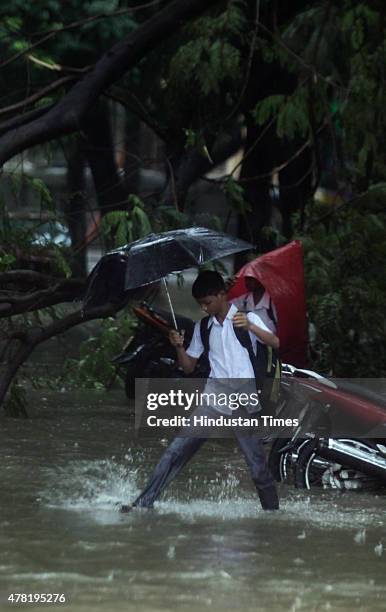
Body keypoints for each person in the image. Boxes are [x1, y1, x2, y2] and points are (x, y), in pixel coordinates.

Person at [121, 271, 280, 513]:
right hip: (213, 400)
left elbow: (275, 343)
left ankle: (273, 515)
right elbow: (188, 366)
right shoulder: (203, 327)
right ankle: (143, 504)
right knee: (175, 453)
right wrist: (177, 346)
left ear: (221, 295)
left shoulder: (246, 318)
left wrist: (250, 326)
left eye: (208, 302)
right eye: (201, 305)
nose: (204, 309)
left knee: (257, 467)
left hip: (244, 403)